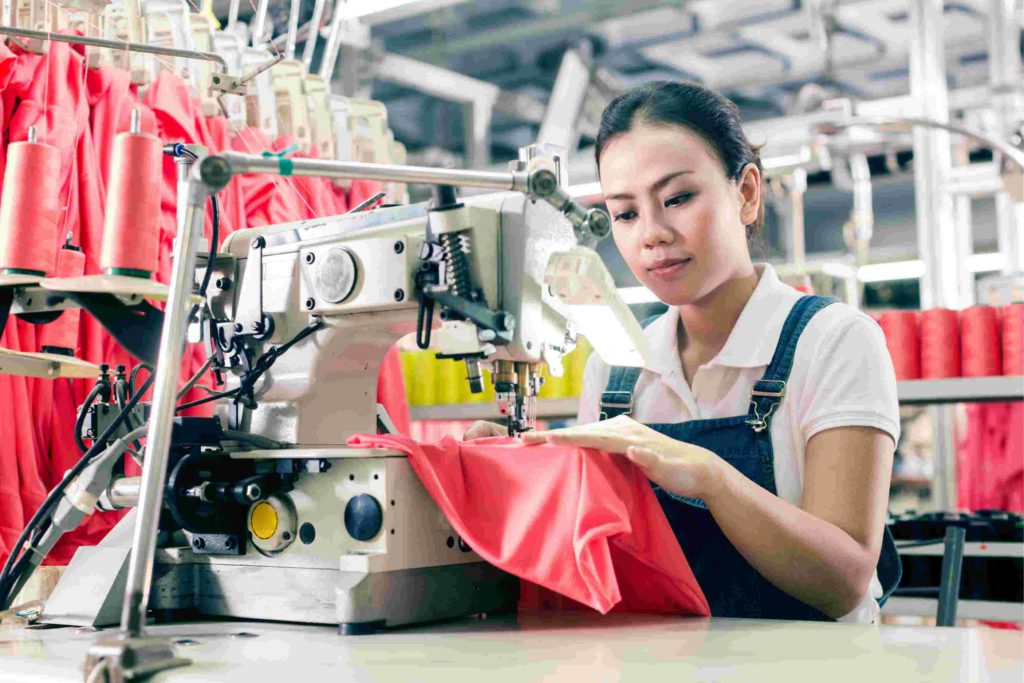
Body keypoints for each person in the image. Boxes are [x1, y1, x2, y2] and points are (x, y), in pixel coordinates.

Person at [464, 81, 901, 623]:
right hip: (663, 658)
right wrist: (521, 475)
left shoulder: (835, 341)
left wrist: (710, 477)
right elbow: (597, 551)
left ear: (746, 193)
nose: (652, 234)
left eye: (677, 199)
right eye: (625, 214)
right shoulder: (616, 367)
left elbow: (844, 582)